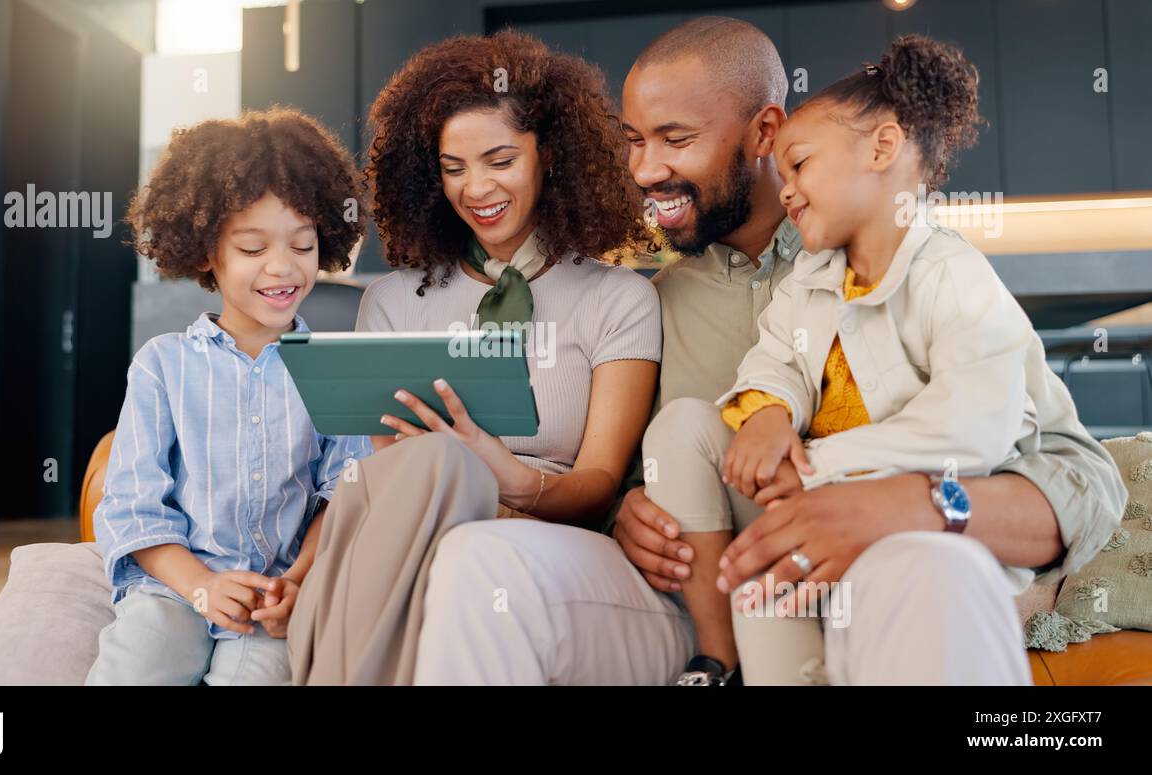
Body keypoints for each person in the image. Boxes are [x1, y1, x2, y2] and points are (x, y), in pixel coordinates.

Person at [412, 17, 1123, 685]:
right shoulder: (646, 303)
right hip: (696, 604)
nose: (645, 170)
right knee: (483, 561)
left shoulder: (911, 266)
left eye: (674, 138)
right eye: (633, 140)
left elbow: (1085, 480)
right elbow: (616, 472)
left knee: (931, 570)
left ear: (765, 131)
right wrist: (626, 509)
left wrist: (919, 504)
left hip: (880, 575)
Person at [644, 33, 1062, 684]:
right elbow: (773, 357)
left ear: (883, 147)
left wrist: (820, 471)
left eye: (801, 165)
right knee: (752, 549)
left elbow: (971, 428)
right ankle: (723, 662)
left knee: (904, 577)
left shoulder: (950, 276)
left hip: (910, 536)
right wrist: (769, 412)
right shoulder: (812, 279)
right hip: (805, 529)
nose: (785, 189)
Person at [284, 30, 666, 684]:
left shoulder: (619, 298)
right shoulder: (394, 300)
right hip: (427, 523)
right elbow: (393, 481)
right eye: (452, 167)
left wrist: (511, 481)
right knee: (429, 465)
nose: (476, 188)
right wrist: (464, 476)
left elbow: (600, 481)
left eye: (499, 160)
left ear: (550, 155)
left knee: (443, 479)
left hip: (557, 538)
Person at [85, 108, 372, 685]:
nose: (281, 267)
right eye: (251, 248)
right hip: (171, 589)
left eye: (302, 244)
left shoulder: (336, 371)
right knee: (140, 664)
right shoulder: (162, 365)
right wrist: (202, 586)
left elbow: (343, 495)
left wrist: (297, 582)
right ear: (205, 251)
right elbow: (135, 509)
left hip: (272, 600)